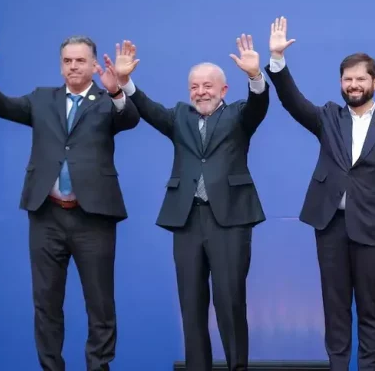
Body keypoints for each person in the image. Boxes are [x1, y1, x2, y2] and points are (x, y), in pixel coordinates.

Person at [0, 35, 140, 371]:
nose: (73, 66)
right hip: (46, 217)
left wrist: (117, 89)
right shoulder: (42, 99)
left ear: (92, 64)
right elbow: (0, 104)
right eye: (67, 61)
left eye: (80, 60)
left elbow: (129, 119)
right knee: (46, 304)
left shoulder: (107, 100)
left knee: (100, 304)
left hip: (94, 218)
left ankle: (98, 367)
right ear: (61, 66)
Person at [263, 16, 375, 371]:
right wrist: (277, 61)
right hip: (330, 225)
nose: (353, 84)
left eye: (361, 78)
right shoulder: (329, 117)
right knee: (334, 307)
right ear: (341, 83)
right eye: (347, 79)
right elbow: (292, 101)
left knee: (370, 308)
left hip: (372, 229)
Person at [111, 35, 269, 371]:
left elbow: (259, 105)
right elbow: (149, 110)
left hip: (230, 220)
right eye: (194, 87)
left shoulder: (239, 115)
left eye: (208, 86)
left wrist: (255, 76)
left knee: (230, 302)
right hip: (187, 221)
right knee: (191, 305)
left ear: (223, 90)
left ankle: (237, 367)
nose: (201, 92)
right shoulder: (179, 117)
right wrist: (125, 82)